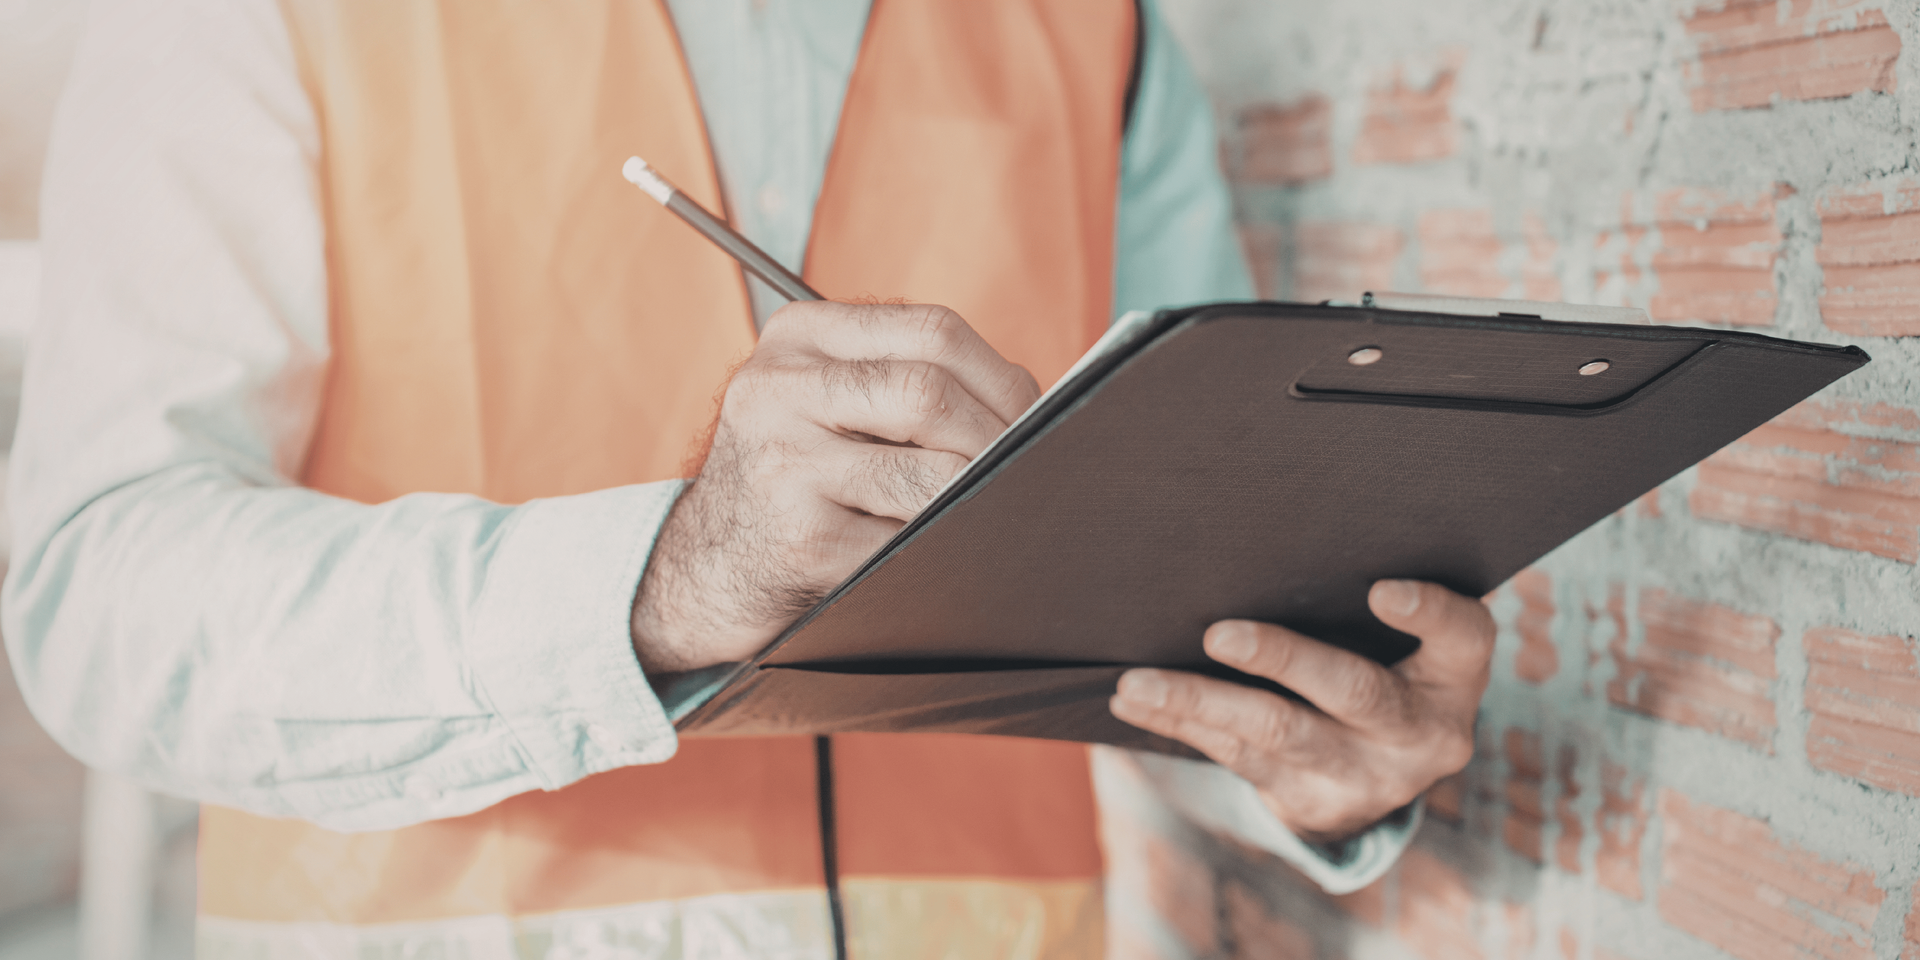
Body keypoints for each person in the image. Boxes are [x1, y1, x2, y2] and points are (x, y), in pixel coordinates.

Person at [7, 0, 1495, 956]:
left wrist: (1314, 758)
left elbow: (1184, 589)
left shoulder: (1099, 34)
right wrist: (667, 581)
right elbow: (97, 595)